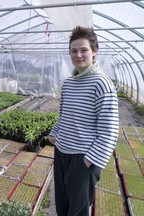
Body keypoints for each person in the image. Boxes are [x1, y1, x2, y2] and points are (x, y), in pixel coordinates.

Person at [48, 26, 119, 216]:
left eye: (84, 50)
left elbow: (110, 131)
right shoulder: (69, 83)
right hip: (62, 152)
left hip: (83, 157)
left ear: (95, 51)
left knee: (78, 211)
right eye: (74, 50)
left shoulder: (102, 83)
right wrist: (54, 134)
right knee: (62, 204)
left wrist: (88, 161)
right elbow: (64, 115)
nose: (78, 55)